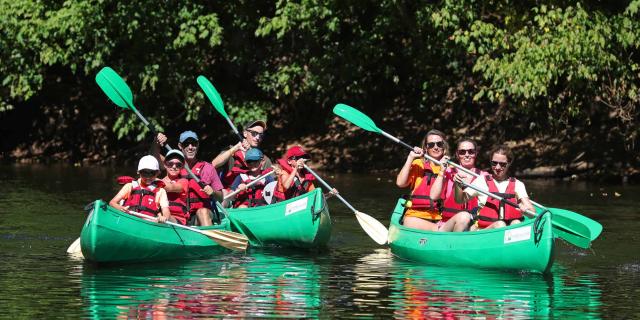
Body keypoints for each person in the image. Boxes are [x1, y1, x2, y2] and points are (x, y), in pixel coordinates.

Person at [395, 130, 472, 232]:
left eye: (439, 144)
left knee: (464, 216)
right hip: (415, 217)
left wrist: (444, 170)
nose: (436, 147)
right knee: (409, 221)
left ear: (444, 146)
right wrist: (410, 158)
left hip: (439, 220)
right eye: (431, 145)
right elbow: (400, 183)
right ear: (426, 148)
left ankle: (449, 239)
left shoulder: (451, 169)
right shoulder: (419, 164)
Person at [453, 144, 535, 230]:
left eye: (502, 164)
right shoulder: (481, 181)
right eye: (494, 163)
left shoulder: (518, 184)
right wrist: (457, 185)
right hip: (484, 230)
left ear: (509, 163)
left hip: (508, 231)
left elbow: (532, 212)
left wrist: (526, 210)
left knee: (516, 222)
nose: (498, 167)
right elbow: (460, 200)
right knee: (500, 224)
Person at [431, 138, 488, 222]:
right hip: (449, 222)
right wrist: (442, 171)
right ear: (457, 154)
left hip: (474, 225)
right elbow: (433, 196)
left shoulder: (484, 176)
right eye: (462, 152)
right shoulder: (447, 172)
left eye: (471, 151)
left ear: (476, 153)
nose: (467, 154)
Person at [109, 155, 174, 223]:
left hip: (149, 222)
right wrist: (121, 208)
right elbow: (112, 202)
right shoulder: (129, 186)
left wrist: (164, 217)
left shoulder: (160, 191)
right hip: (129, 218)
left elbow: (166, 210)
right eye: (144, 173)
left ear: (157, 173)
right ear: (138, 172)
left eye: (152, 173)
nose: (148, 177)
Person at [211, 120, 273, 188]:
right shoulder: (232, 150)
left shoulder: (265, 160)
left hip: (252, 197)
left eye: (261, 135)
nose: (258, 138)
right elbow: (214, 164)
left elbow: (271, 186)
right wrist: (235, 148)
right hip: (229, 194)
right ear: (245, 133)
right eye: (254, 133)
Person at [272, 145, 337, 202]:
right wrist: (295, 169)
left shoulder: (306, 179)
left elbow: (316, 198)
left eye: (303, 158)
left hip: (296, 207)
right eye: (297, 158)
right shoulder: (284, 173)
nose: (301, 160)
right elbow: (286, 186)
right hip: (281, 206)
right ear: (289, 161)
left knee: (317, 192)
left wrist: (329, 194)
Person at [160, 149, 190, 225]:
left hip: (177, 220)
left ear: (182, 167)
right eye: (170, 164)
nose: (174, 167)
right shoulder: (158, 181)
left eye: (178, 165)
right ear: (165, 164)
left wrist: (151, 181)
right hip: (159, 215)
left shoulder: (184, 182)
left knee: (167, 217)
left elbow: (170, 187)